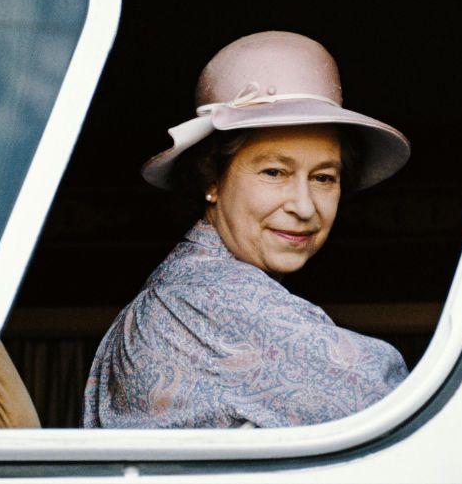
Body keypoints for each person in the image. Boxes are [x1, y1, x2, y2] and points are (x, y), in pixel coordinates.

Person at [82, 31, 411, 429]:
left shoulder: (191, 285)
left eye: (324, 178)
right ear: (212, 179)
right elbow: (398, 404)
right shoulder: (210, 300)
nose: (304, 207)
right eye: (274, 172)